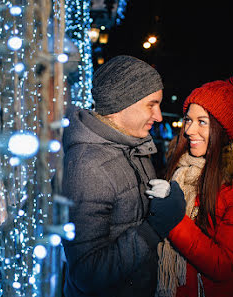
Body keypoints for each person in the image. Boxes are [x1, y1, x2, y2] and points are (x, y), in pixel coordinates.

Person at [61, 55, 186, 297]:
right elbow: (87, 273)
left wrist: (164, 198)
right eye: (151, 104)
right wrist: (154, 228)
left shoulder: (133, 146)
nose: (159, 116)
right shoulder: (89, 166)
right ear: (123, 102)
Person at [158, 74, 233, 297]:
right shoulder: (180, 169)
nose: (189, 130)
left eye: (202, 122)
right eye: (188, 119)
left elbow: (224, 265)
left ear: (223, 129)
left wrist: (174, 219)